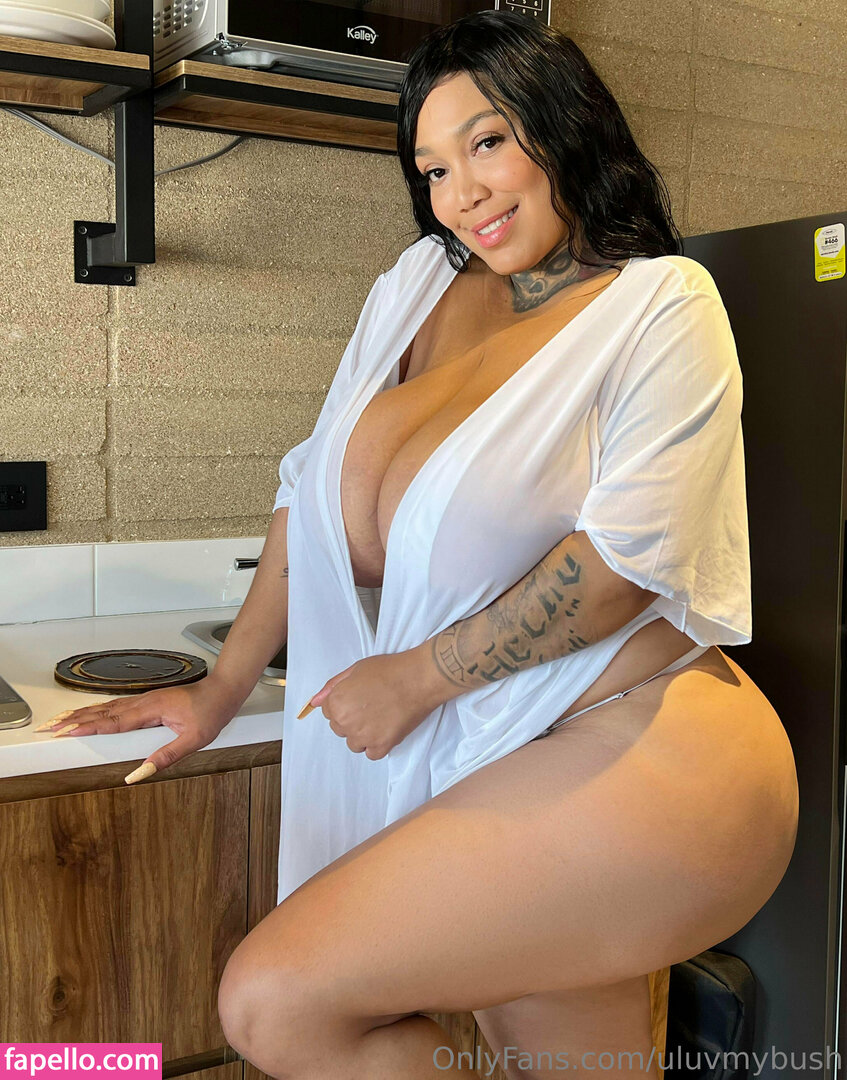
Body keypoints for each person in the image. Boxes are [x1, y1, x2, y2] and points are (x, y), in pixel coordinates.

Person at [39, 11, 799, 1078]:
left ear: (564, 128)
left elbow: (626, 564)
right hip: (488, 757)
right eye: (433, 168)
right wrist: (221, 687)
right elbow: (307, 494)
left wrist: (416, 678)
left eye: (487, 142)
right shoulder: (415, 285)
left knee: (275, 1001)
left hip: (634, 752)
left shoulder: (659, 304)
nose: (463, 193)